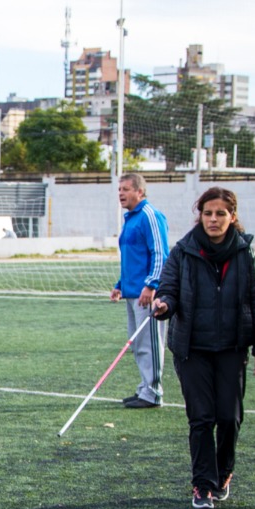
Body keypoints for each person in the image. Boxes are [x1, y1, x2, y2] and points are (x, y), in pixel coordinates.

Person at [153, 188, 255, 509]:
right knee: (201, 418)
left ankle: (223, 471)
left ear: (233, 216)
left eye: (220, 213)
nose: (213, 220)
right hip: (192, 348)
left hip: (232, 348)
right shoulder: (184, 251)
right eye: (207, 213)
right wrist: (164, 304)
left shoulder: (245, 253)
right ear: (199, 216)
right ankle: (202, 484)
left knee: (229, 418)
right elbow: (169, 288)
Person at [111, 173, 169, 408]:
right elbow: (132, 259)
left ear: (140, 192)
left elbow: (160, 253)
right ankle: (145, 387)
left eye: (126, 189)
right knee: (137, 343)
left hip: (147, 294)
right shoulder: (130, 219)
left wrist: (151, 285)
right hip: (132, 291)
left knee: (150, 343)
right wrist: (119, 285)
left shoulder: (150, 216)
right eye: (119, 190)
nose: (121, 194)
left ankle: (153, 393)